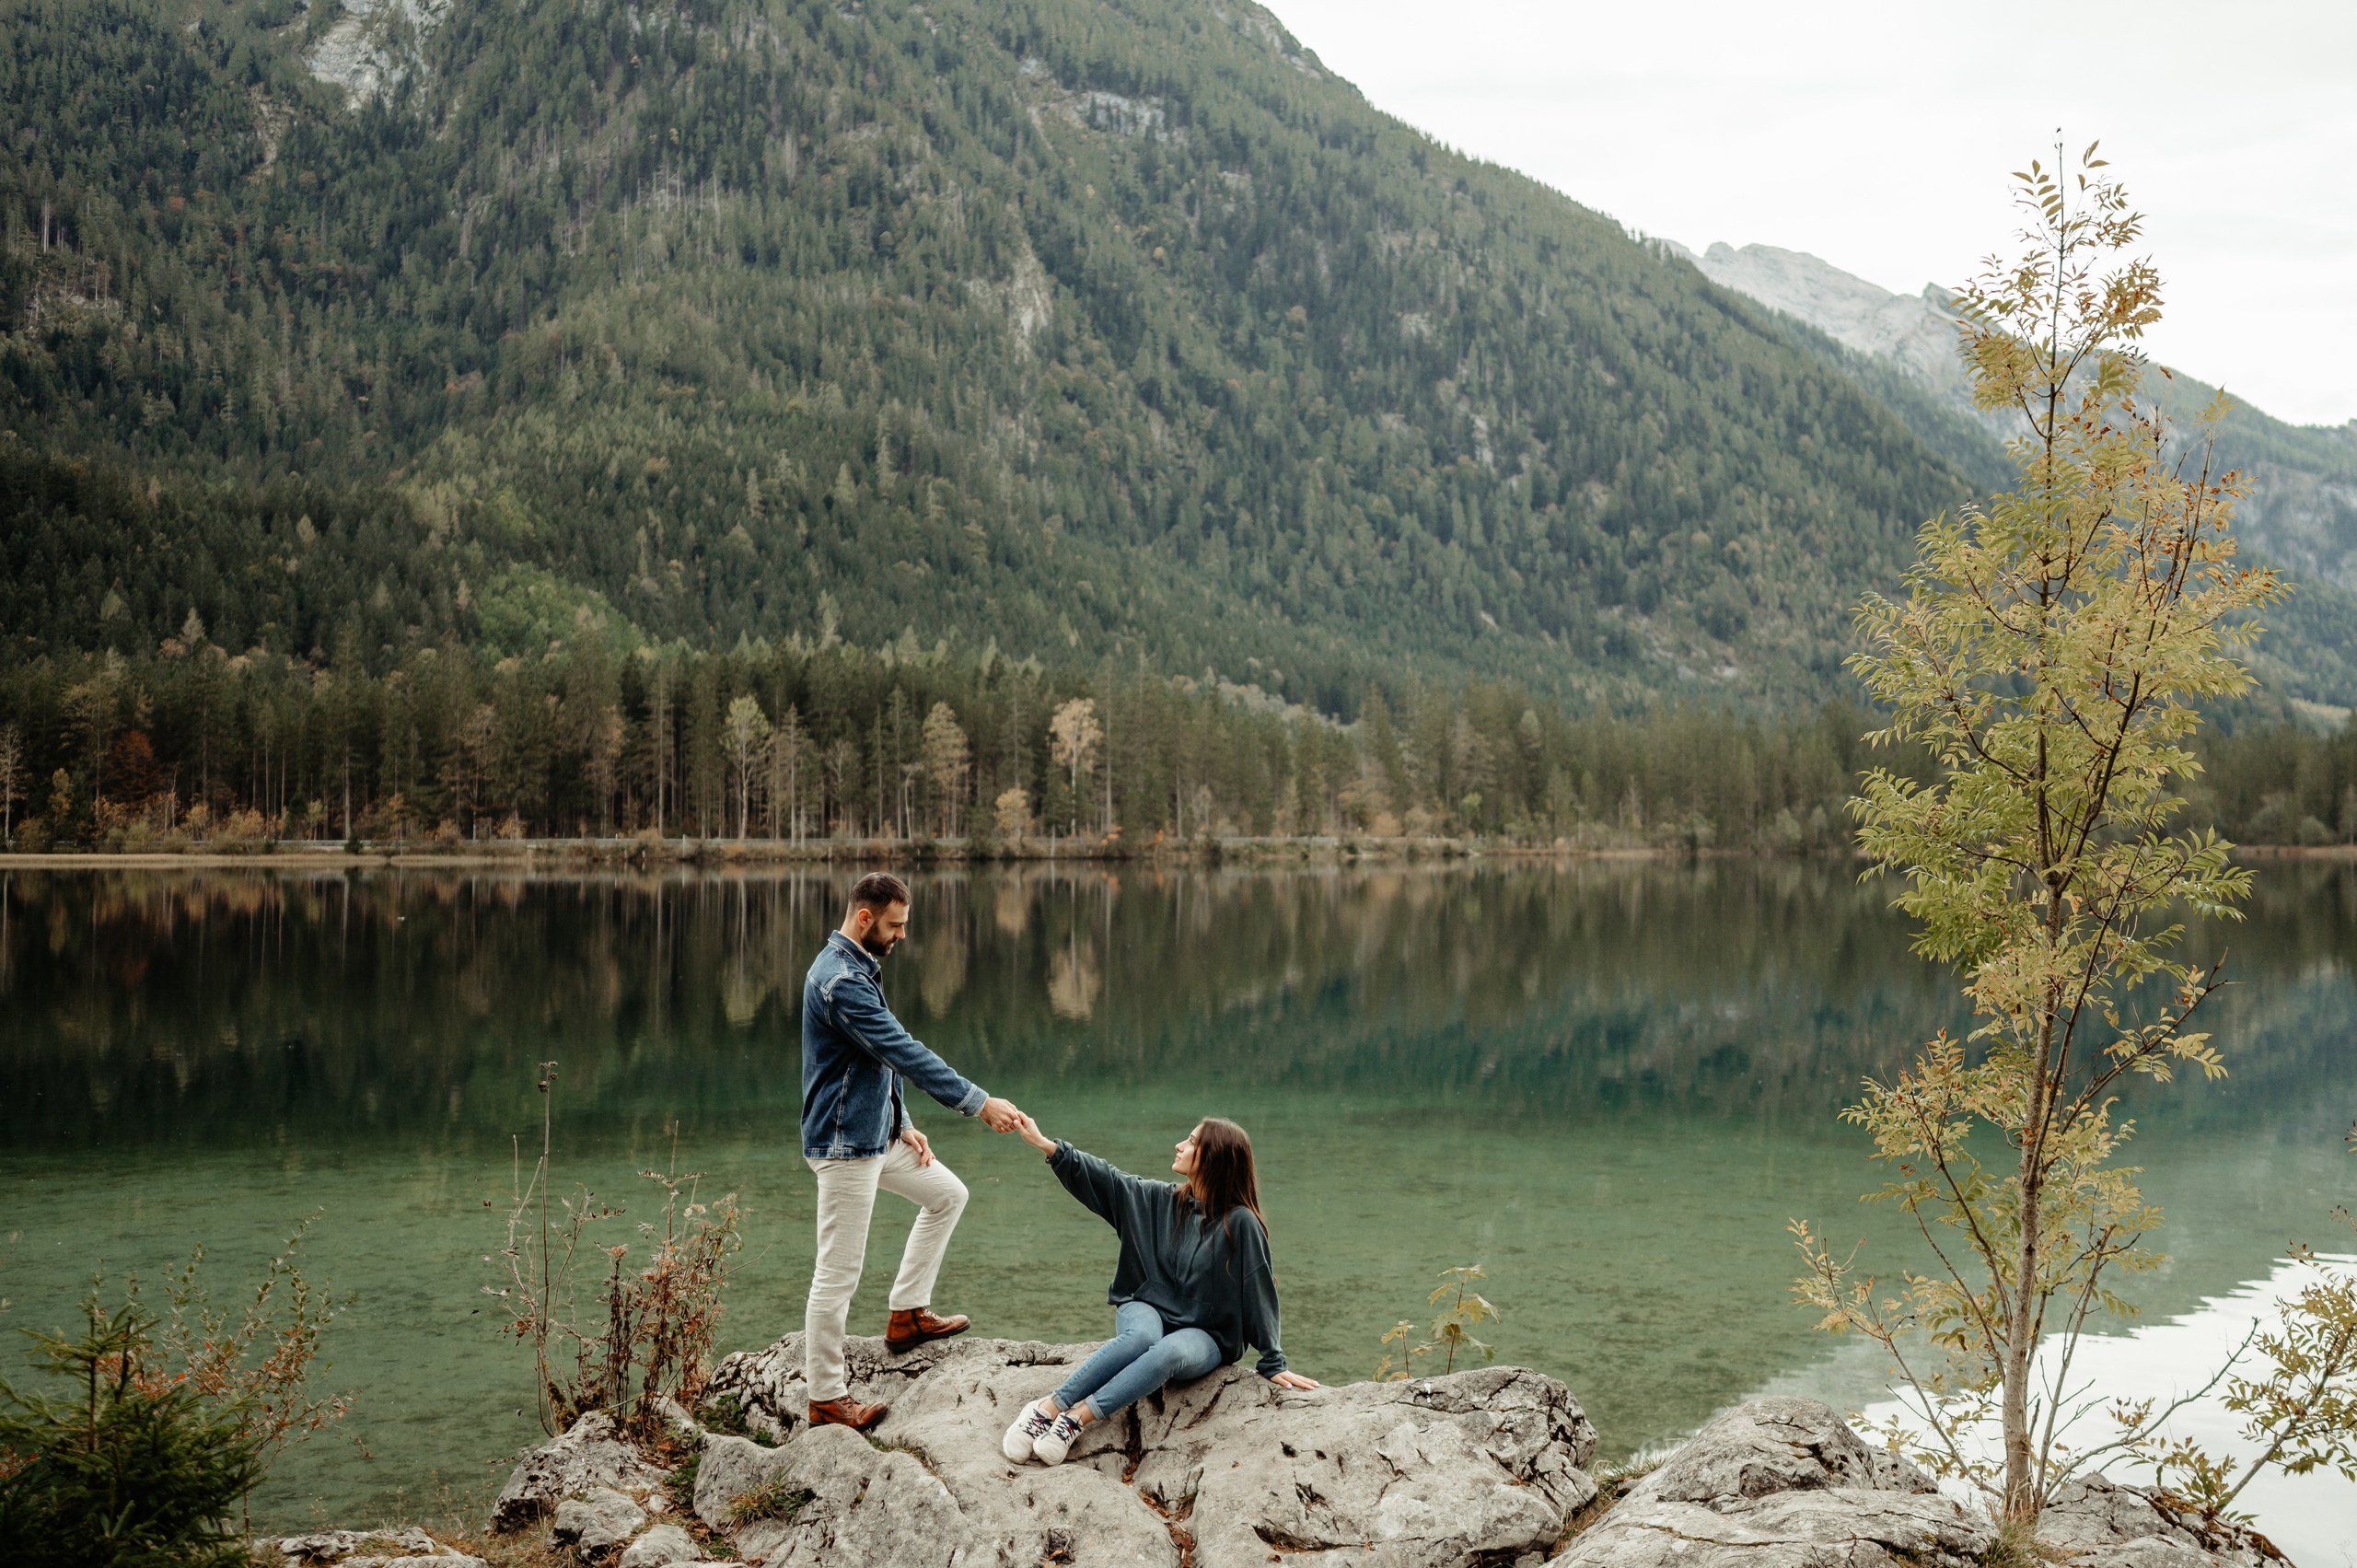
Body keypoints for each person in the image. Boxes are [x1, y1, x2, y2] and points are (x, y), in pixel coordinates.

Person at [800, 871, 1024, 1430]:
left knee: (948, 1195)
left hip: (876, 1134)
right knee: (837, 1274)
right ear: (865, 918)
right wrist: (978, 1103)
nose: (902, 935)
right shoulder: (839, 980)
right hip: (845, 1145)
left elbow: (876, 1055)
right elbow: (902, 1048)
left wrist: (901, 1122)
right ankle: (825, 1398)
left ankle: (907, 1316)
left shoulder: (857, 965)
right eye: (895, 925)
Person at [1000, 1113, 1319, 1465]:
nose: (1179, 1146)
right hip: (1146, 1305)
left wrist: (1273, 1361)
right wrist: (1046, 1145)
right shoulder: (1159, 1200)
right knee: (1142, 1337)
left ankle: (1075, 1420)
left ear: (1213, 1158)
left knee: (1168, 1351)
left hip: (1206, 1334)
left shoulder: (1241, 1223)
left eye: (1192, 1142)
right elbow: (1107, 1179)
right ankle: (1046, 1409)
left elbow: (1259, 1290)